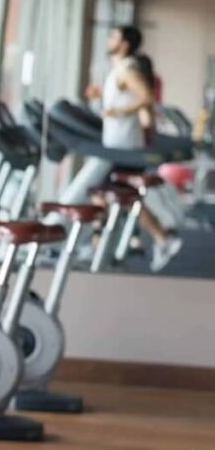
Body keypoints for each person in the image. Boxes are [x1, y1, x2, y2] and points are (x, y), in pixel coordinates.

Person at [67, 25, 182, 271]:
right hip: (119, 145)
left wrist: (118, 111)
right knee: (118, 197)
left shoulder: (128, 69)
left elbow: (147, 96)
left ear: (125, 43)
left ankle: (98, 246)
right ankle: (156, 238)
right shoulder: (120, 69)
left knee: (100, 193)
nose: (109, 40)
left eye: (113, 37)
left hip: (125, 147)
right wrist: (102, 98)